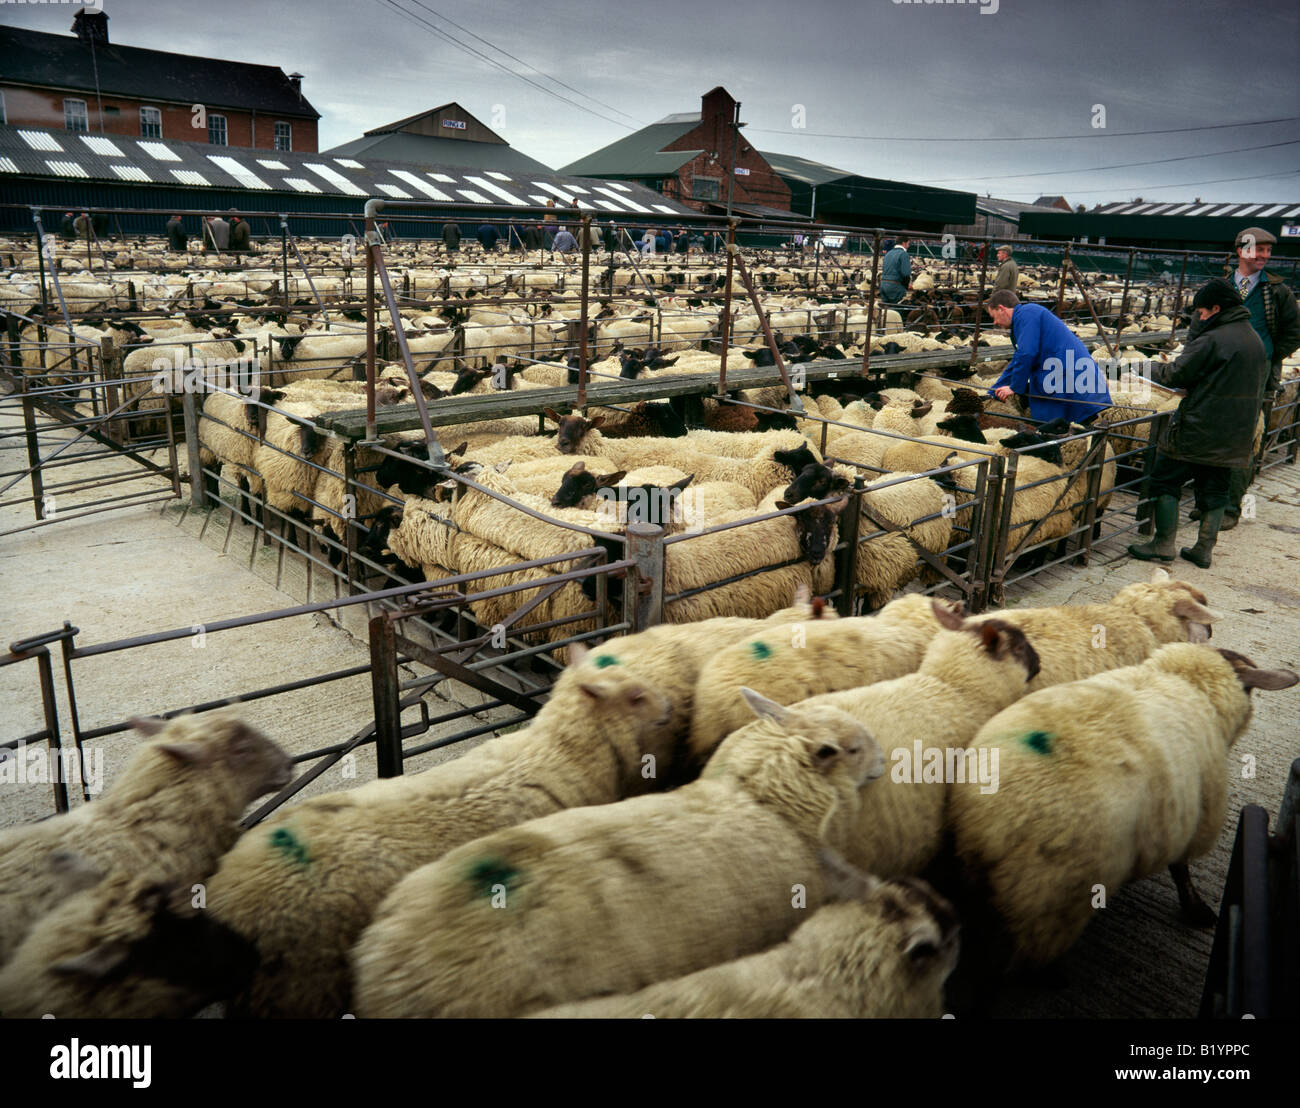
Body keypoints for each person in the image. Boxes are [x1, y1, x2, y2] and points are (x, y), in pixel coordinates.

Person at [1128, 278, 1268, 568]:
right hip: (1235, 431)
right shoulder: (1254, 339)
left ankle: (1163, 543)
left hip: (1200, 426)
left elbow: (1176, 374)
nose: (1200, 318)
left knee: (1165, 478)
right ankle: (1203, 549)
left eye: (1202, 312)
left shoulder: (1214, 338)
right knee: (1215, 488)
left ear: (1216, 308)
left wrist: (1141, 366)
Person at [1204, 225, 1300, 529]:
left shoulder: (1278, 291)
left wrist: (1266, 355)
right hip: (1216, 372)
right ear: (1241, 251)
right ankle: (1209, 506)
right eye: (1258, 249)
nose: (1264, 256)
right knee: (1210, 437)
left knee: (1243, 441)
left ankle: (1231, 508)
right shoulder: (1221, 286)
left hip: (1253, 378)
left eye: (1268, 251)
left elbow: (1294, 332)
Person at [983, 289, 1112, 424]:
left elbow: (1026, 353)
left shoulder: (1026, 314)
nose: (995, 323)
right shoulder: (1025, 318)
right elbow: (1018, 359)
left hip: (1070, 377)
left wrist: (1014, 387)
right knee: (1070, 429)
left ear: (1001, 308)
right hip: (1065, 376)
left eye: (994, 317)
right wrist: (993, 391)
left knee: (1071, 431)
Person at [880, 236, 911, 303]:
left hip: (883, 284)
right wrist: (906, 286)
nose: (908, 246)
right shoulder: (903, 254)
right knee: (897, 310)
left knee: (886, 310)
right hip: (895, 286)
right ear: (903, 243)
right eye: (908, 244)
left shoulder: (888, 253)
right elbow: (906, 273)